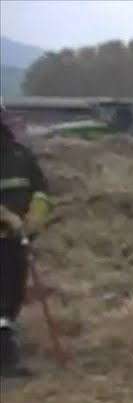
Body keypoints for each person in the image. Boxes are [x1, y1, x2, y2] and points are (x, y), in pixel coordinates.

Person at [0, 98, 53, 378]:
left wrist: (35, 218)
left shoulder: (21, 155)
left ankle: (6, 354)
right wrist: (6, 216)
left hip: (16, 241)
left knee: (11, 298)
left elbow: (42, 191)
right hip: (7, 232)